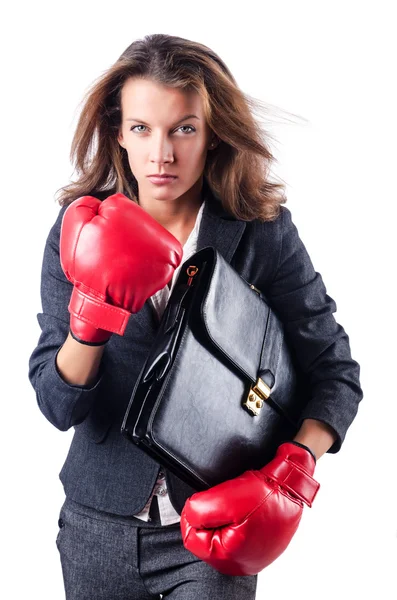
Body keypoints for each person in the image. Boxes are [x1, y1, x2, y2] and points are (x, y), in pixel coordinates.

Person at [28, 33, 363, 599]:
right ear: (118, 132)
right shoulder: (78, 232)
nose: (162, 153)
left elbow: (335, 369)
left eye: (184, 128)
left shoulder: (261, 231)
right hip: (98, 525)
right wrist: (92, 314)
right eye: (142, 128)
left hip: (214, 527)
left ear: (211, 136)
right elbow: (58, 405)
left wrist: (293, 469)